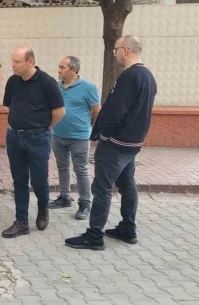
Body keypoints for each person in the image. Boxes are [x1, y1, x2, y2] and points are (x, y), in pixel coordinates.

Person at [66, 36, 157, 251]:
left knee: (102, 188)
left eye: (115, 49)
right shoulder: (148, 76)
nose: (114, 53)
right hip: (132, 143)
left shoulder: (129, 76)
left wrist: (104, 134)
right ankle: (128, 229)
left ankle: (94, 235)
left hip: (116, 143)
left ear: (125, 50)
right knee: (127, 185)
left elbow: (116, 111)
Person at [1, 46, 65, 239]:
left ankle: (43, 208)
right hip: (14, 138)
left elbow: (59, 112)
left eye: (17, 62)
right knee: (19, 180)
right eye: (12, 61)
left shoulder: (46, 82)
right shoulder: (13, 81)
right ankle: (21, 222)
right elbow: (9, 106)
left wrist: (44, 128)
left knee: (39, 180)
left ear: (30, 61)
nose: (13, 65)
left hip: (38, 139)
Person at [48, 56, 101, 220]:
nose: (59, 70)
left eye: (62, 67)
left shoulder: (88, 87)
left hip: (79, 137)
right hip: (58, 135)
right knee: (62, 167)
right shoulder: (56, 87)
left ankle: (85, 203)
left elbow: (97, 111)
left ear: (74, 70)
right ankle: (64, 197)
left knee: (81, 170)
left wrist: (93, 131)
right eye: (59, 66)